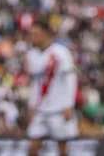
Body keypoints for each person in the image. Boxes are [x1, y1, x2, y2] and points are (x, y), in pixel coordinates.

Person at [24, 18, 78, 154]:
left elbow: (71, 78)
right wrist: (31, 105)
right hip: (40, 109)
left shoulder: (61, 52)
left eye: (35, 34)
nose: (32, 37)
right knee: (32, 147)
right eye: (31, 34)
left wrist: (69, 104)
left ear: (45, 34)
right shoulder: (31, 55)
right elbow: (34, 83)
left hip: (59, 108)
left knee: (62, 148)